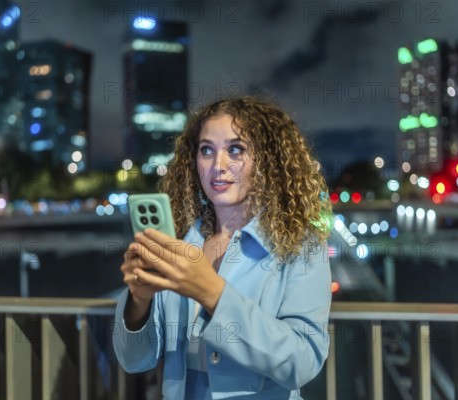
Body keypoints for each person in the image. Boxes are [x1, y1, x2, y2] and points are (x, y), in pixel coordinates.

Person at [113, 96, 332, 399]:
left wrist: (211, 293)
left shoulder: (300, 245)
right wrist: (138, 302)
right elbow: (134, 360)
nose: (218, 165)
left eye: (235, 149)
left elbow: (303, 361)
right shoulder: (177, 241)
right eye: (206, 150)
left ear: (266, 161)